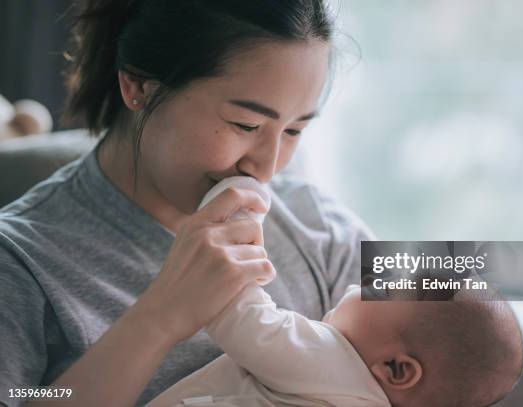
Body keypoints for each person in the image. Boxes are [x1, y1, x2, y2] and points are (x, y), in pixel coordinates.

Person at [0, 1, 369, 406]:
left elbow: (448, 286)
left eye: (295, 130)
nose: (267, 167)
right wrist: (161, 317)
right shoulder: (18, 262)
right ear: (139, 85)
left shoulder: (315, 220)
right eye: (245, 125)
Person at [147, 181, 523, 407]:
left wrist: (239, 213)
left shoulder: (332, 361)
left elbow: (236, 311)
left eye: (378, 288)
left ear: (397, 369)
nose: (359, 283)